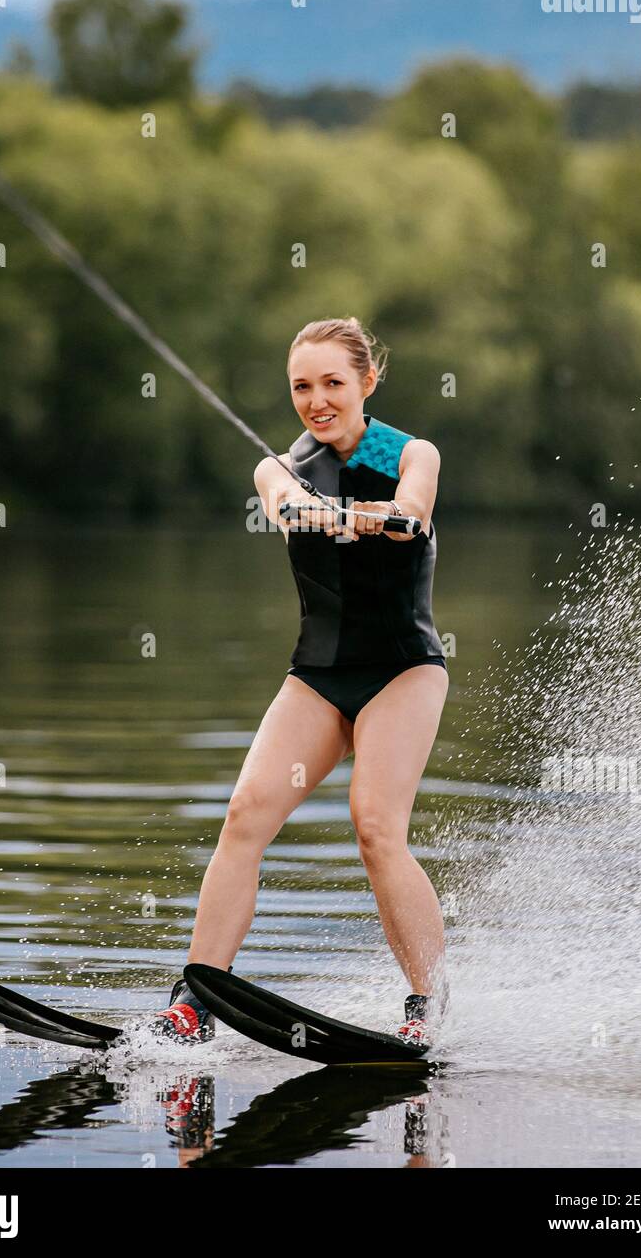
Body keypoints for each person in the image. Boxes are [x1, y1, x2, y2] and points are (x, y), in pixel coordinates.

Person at [153, 317, 450, 1047]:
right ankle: (192, 1002)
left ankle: (427, 1006)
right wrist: (314, 511)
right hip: (317, 678)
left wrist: (378, 518)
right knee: (246, 815)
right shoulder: (279, 468)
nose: (316, 400)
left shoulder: (414, 453)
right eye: (301, 387)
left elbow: (413, 507)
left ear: (366, 384)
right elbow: (284, 509)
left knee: (375, 825)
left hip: (401, 673)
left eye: (332, 384)